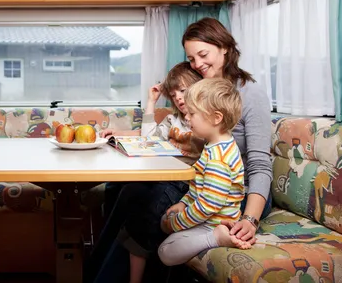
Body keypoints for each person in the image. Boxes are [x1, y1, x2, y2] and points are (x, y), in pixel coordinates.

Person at [85, 17, 272, 282]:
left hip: (236, 190)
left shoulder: (249, 94)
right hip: (202, 178)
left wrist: (250, 219)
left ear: (225, 48)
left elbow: (260, 166)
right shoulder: (199, 86)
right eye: (192, 58)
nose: (197, 63)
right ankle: (94, 271)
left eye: (203, 54)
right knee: (123, 188)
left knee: (149, 200)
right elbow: (174, 131)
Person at [156, 78, 250, 272]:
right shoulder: (216, 146)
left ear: (216, 118)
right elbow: (199, 186)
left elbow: (209, 204)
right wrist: (183, 203)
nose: (187, 118)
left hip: (211, 223)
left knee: (165, 251)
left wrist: (177, 223)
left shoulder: (218, 159)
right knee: (161, 224)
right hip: (206, 218)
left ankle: (215, 238)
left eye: (192, 113)